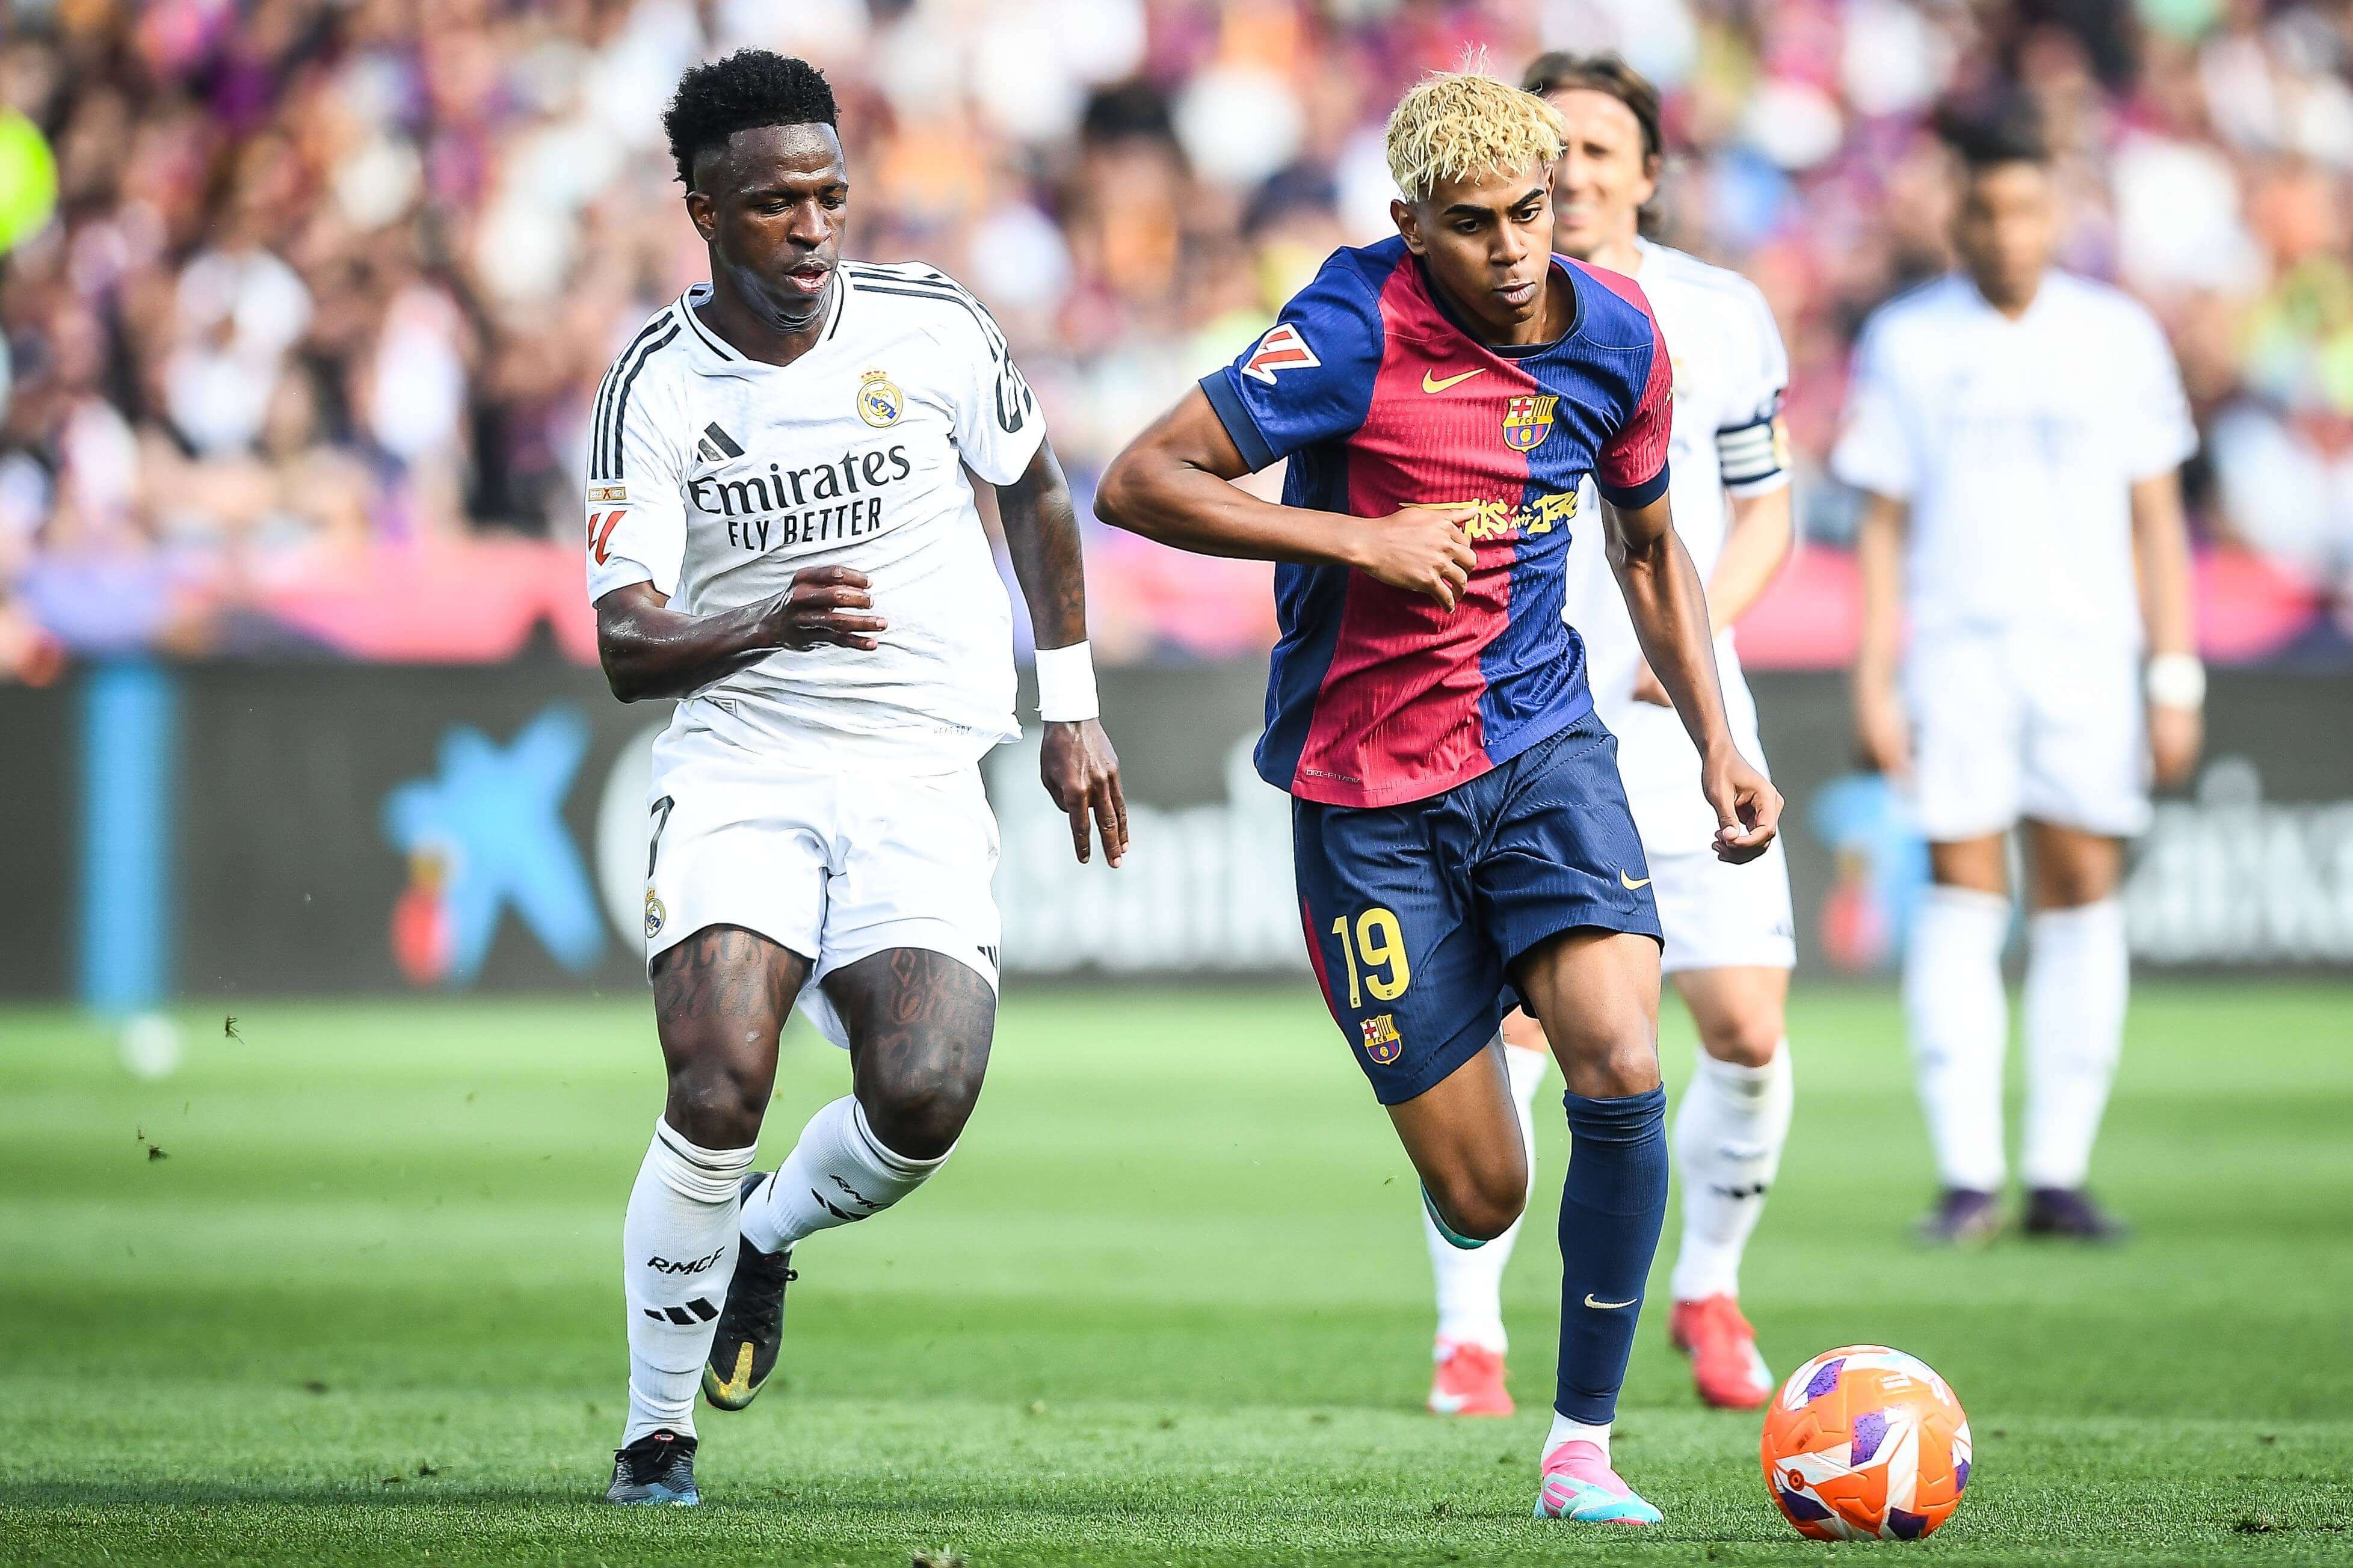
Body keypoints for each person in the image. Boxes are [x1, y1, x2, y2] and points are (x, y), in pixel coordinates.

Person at [1096, 69, 1781, 1528]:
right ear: (1412, 224)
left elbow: (1652, 551)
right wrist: (1357, 539)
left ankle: (1582, 1448)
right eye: (1473, 225)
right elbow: (1141, 481)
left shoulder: (1619, 336)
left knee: (1617, 1049)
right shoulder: (1348, 323)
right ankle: (1480, 1271)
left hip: (1544, 749)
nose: (1516, 248)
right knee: (1485, 1193)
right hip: (1364, 794)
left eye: (1531, 212)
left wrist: (1721, 737)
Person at [584, 50, 1127, 1506]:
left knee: (928, 1091)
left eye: (829, 195)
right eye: (774, 206)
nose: (813, 229)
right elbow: (627, 642)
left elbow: (1033, 488)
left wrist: (1067, 702)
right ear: (702, 208)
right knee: (719, 1074)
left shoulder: (934, 325)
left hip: (919, 766)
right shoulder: (651, 382)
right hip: (744, 767)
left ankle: (762, 1238)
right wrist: (767, 614)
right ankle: (654, 1439)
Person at [1405, 52, 1802, 1422]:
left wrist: (1684, 650)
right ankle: (1473, 1339)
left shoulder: (1717, 314)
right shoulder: (1454, 311)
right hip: (1515, 721)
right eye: (1548, 145)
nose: (1569, 171)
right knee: (1529, 1030)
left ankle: (1709, 1284)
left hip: (1674, 704)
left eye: (1595, 149)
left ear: (1645, 170)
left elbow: (1762, 512)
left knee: (1744, 1026)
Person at [1833, 105, 2201, 1247]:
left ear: (2058, 214)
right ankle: (1967, 1173)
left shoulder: (2118, 336)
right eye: (1986, 209)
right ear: (1957, 216)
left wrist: (2175, 671)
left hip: (2089, 654)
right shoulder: (1907, 339)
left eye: (2027, 208)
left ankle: (2056, 1169)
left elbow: (2157, 516)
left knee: (2083, 883)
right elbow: (1882, 526)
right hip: (1958, 653)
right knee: (1962, 885)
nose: (2006, 231)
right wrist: (1875, 674)